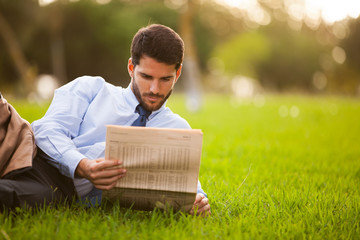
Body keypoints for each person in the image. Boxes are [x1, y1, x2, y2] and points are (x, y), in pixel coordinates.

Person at [0, 24, 210, 215]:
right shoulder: (91, 89)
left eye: (165, 79)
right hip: (34, 158)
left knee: (25, 197)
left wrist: (199, 201)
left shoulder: (178, 129)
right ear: (131, 68)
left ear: (178, 73)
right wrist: (82, 165)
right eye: (146, 77)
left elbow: (191, 187)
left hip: (56, 189)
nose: (155, 89)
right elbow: (47, 130)